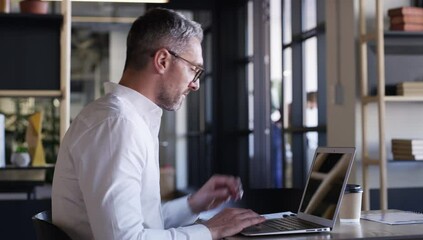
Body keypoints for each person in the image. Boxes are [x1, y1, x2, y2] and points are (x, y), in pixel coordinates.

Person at [52, 8, 265, 240]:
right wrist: (211, 230)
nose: (196, 85)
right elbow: (125, 238)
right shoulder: (117, 124)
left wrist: (194, 204)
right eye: (194, 70)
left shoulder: (123, 118)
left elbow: (140, 222)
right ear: (162, 60)